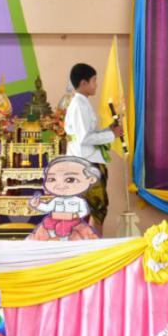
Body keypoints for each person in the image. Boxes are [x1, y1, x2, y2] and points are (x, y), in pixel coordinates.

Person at [64, 63, 123, 232]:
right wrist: (112, 135)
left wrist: (108, 130)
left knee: (94, 207)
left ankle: (91, 241)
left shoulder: (82, 103)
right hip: (86, 164)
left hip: (86, 162)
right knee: (96, 207)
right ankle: (93, 243)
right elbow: (85, 138)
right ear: (83, 83)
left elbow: (88, 133)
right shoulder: (79, 105)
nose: (96, 84)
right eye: (94, 80)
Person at [27, 156, 101, 241]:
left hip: (72, 219)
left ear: (91, 180)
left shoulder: (79, 200)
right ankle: (51, 236)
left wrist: (75, 215)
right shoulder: (56, 200)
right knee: (47, 222)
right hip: (55, 218)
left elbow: (84, 211)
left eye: (70, 180)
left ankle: (64, 239)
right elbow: (48, 208)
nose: (60, 185)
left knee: (63, 227)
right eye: (52, 179)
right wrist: (38, 205)